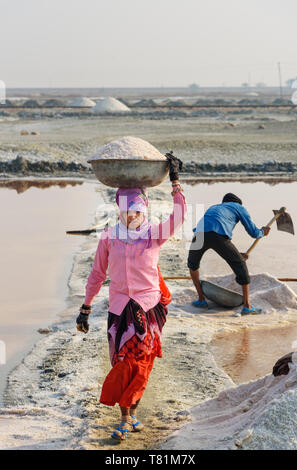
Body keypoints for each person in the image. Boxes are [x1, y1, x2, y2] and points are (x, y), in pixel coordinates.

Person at [76, 153, 186, 441]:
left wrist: (175, 182)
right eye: (125, 212)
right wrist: (85, 308)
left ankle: (127, 416)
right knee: (121, 363)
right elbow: (97, 275)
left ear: (144, 210)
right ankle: (129, 416)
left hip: (149, 309)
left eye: (135, 211)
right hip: (119, 310)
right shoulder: (110, 238)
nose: (130, 216)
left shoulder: (155, 235)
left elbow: (179, 216)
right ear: (118, 212)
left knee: (141, 363)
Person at [187, 192, 270, 315]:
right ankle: (247, 306)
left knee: (192, 265)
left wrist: (236, 253)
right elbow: (253, 232)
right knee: (241, 266)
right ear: (237, 203)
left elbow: (214, 231)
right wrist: (262, 232)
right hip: (218, 235)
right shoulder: (238, 207)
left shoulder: (214, 207)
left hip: (199, 233)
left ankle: (201, 299)